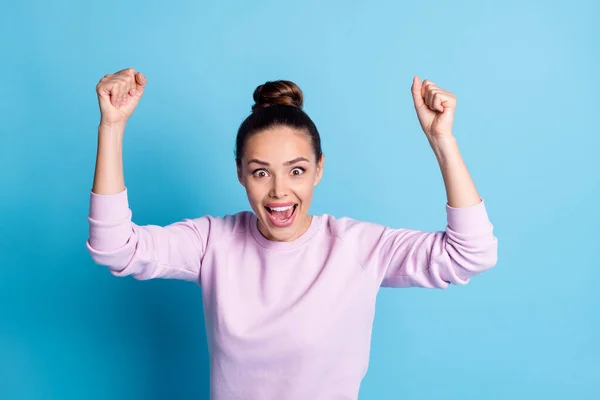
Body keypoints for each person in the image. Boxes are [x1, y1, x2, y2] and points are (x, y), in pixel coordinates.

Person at [87, 67, 498, 400]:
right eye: (261, 172)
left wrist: (442, 140)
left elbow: (471, 254)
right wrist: (111, 126)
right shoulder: (213, 242)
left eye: (296, 170)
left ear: (319, 169)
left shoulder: (357, 247)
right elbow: (115, 248)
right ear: (240, 175)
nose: (279, 191)